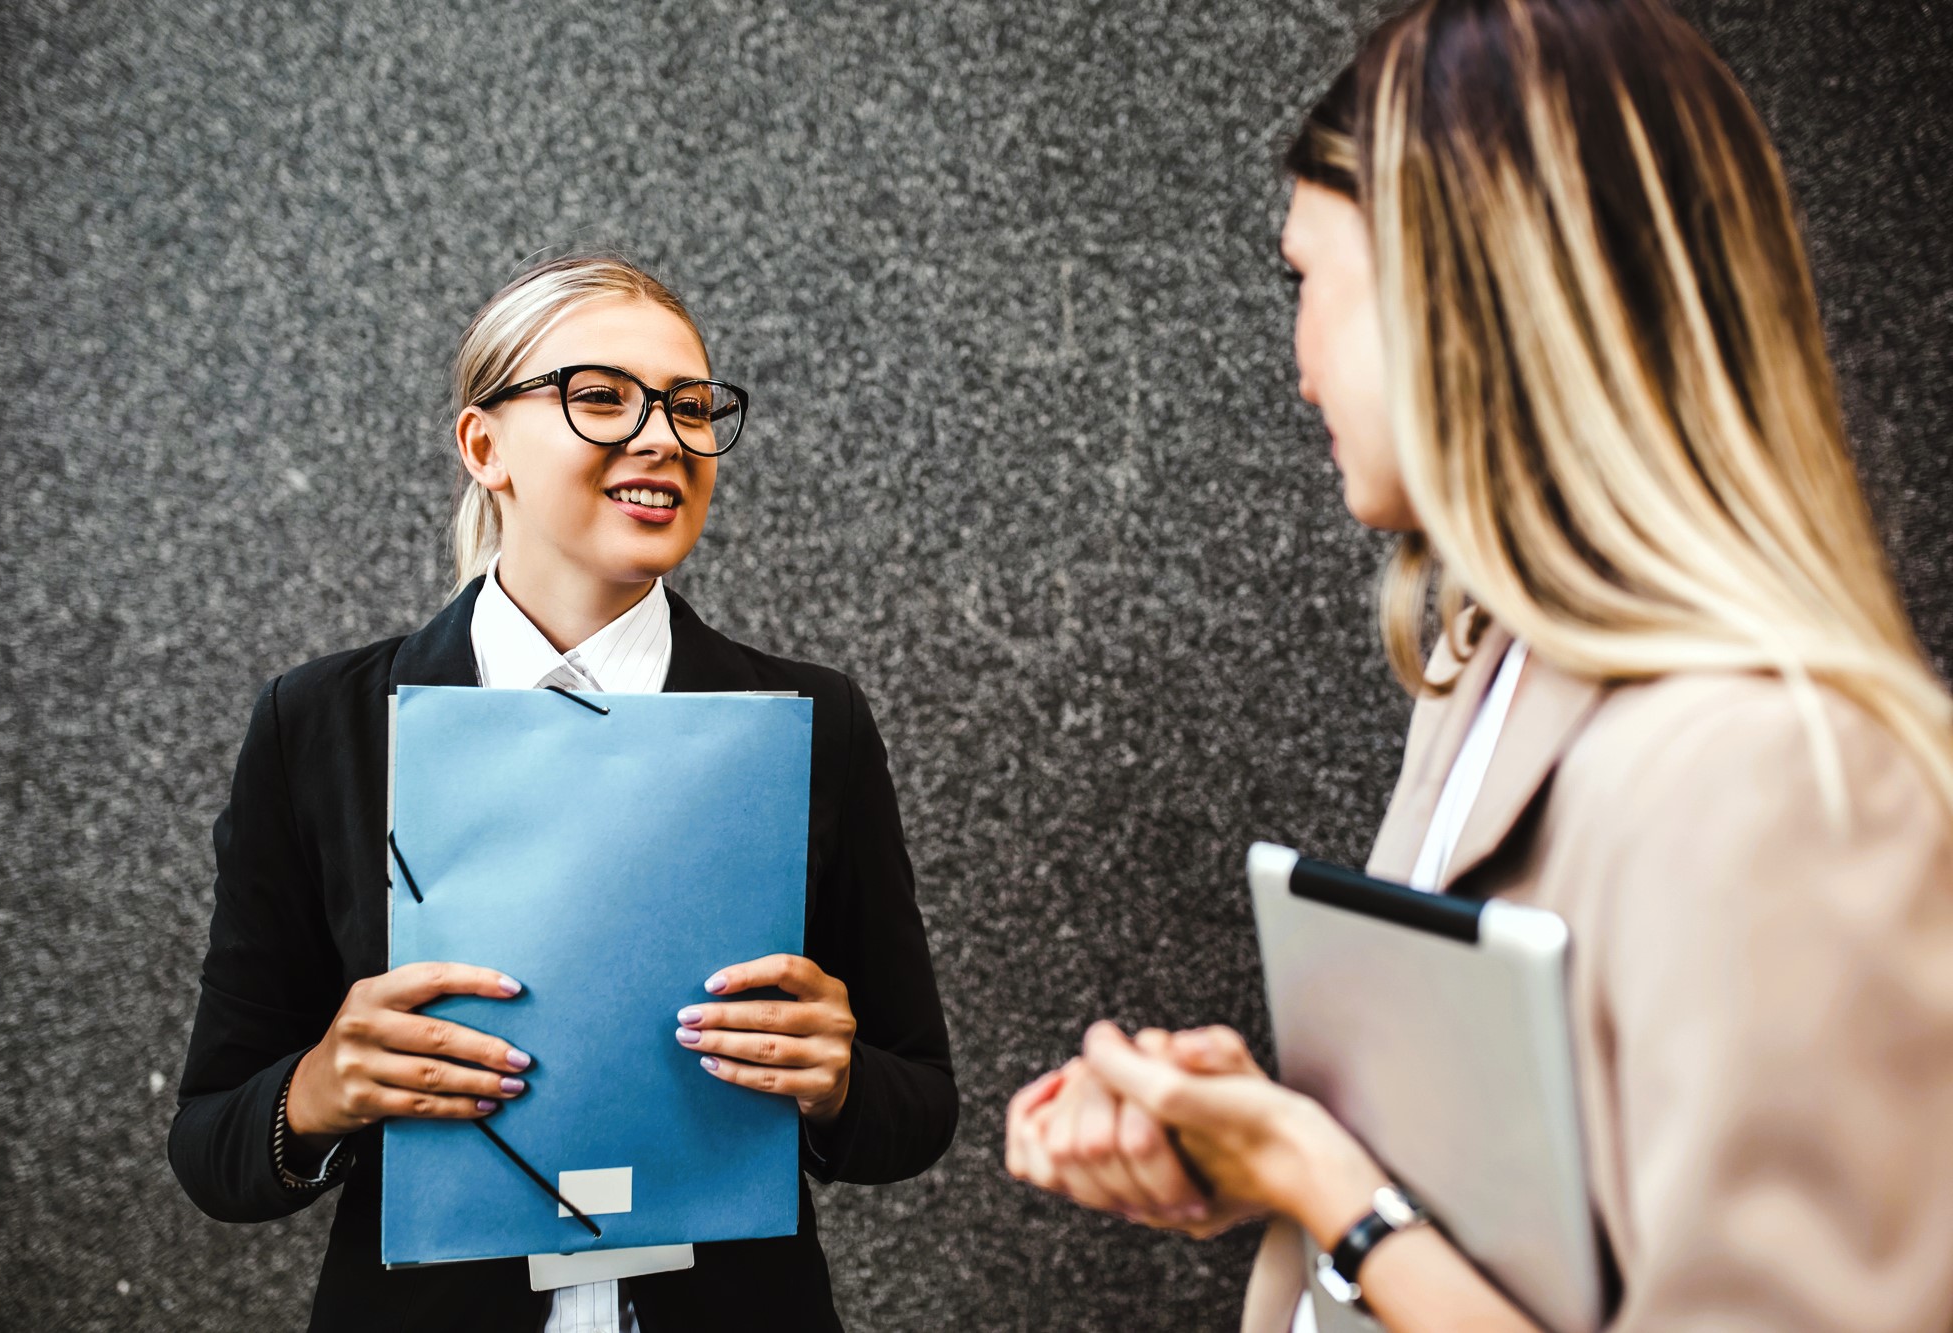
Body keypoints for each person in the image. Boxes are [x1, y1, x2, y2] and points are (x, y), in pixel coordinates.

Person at [1004, 0, 1953, 1329]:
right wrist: (1262, 1136)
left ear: (1450, 283)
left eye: (1305, 281)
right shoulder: (1486, 674)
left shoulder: (1778, 775)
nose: (1299, 371)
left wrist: (1326, 1181)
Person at [168, 254, 958, 1333]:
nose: (665, 436)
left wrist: (835, 1081)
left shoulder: (808, 719)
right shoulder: (321, 725)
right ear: (482, 446)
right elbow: (213, 1144)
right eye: (599, 397)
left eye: (690, 405)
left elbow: (915, 1107)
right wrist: (316, 1092)